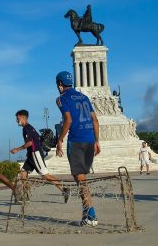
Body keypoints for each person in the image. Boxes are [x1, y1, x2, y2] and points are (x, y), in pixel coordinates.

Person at [55, 71, 101, 227]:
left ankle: (91, 214)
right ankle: (86, 214)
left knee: (80, 180)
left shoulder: (61, 99)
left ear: (59, 84)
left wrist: (60, 140)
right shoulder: (84, 97)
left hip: (76, 141)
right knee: (82, 180)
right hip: (89, 141)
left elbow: (68, 119)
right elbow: (95, 119)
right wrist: (97, 141)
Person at [10, 109, 70, 203]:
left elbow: (29, 143)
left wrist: (17, 149)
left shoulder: (28, 128)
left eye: (18, 119)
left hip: (35, 154)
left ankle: (64, 189)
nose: (16, 121)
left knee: (45, 176)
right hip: (31, 155)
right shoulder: (27, 128)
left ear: (23, 117)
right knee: (23, 174)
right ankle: (25, 197)